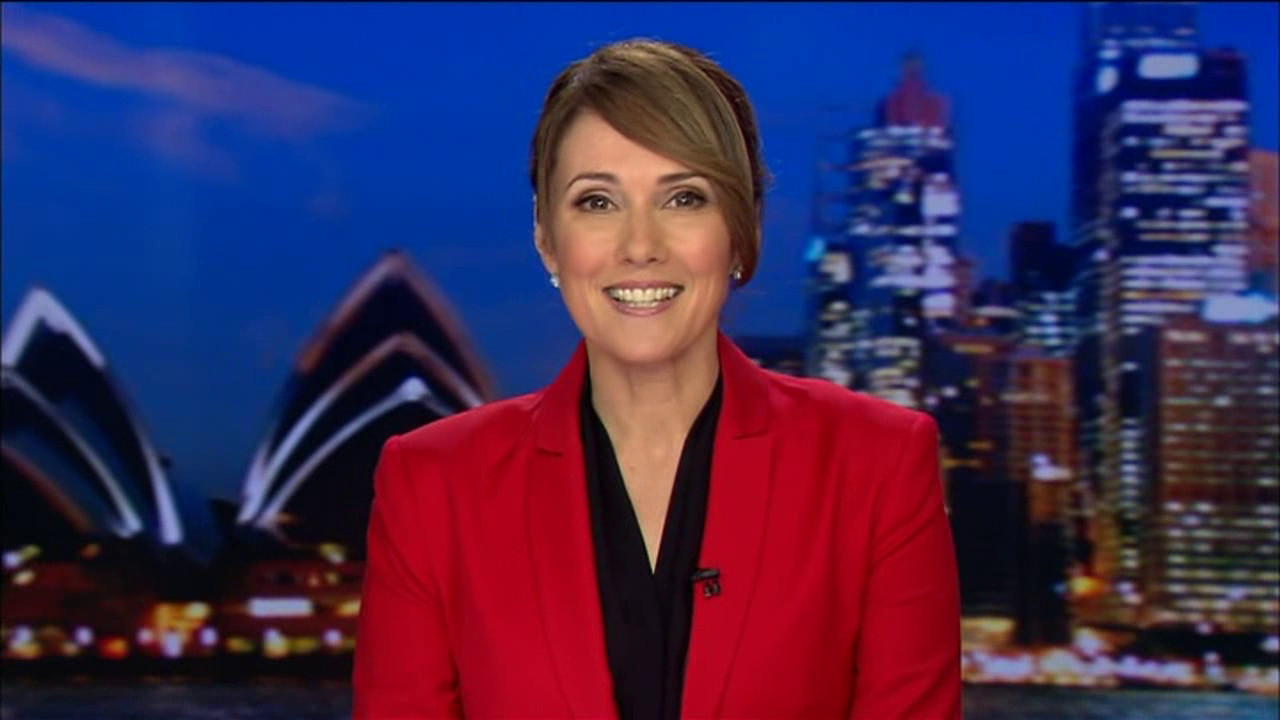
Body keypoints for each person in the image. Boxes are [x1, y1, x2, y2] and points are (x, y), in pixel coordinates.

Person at [353, 38, 960, 719]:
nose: (640, 246)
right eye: (597, 202)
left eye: (683, 198)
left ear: (741, 230)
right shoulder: (433, 484)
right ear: (547, 238)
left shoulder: (877, 465)